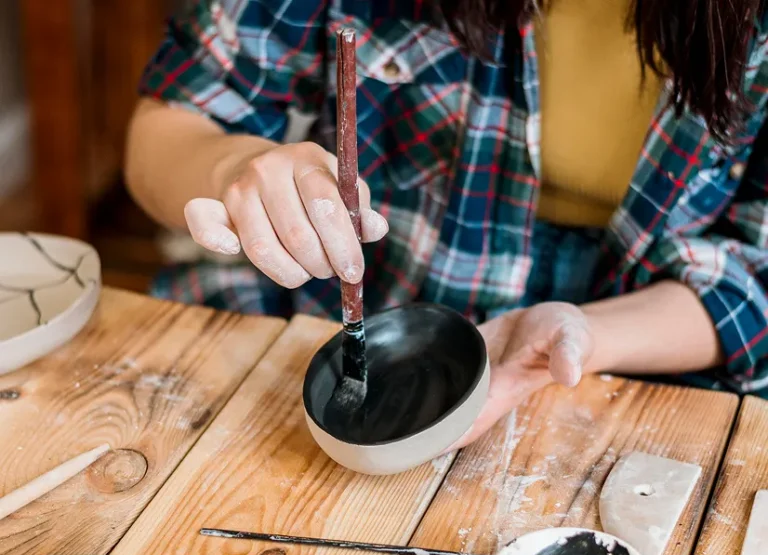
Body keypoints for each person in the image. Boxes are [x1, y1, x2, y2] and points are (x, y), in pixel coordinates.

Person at [126, 0, 768, 447]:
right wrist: (237, 169)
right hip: (360, 302)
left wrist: (586, 334)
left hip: (648, 341)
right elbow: (172, 125)